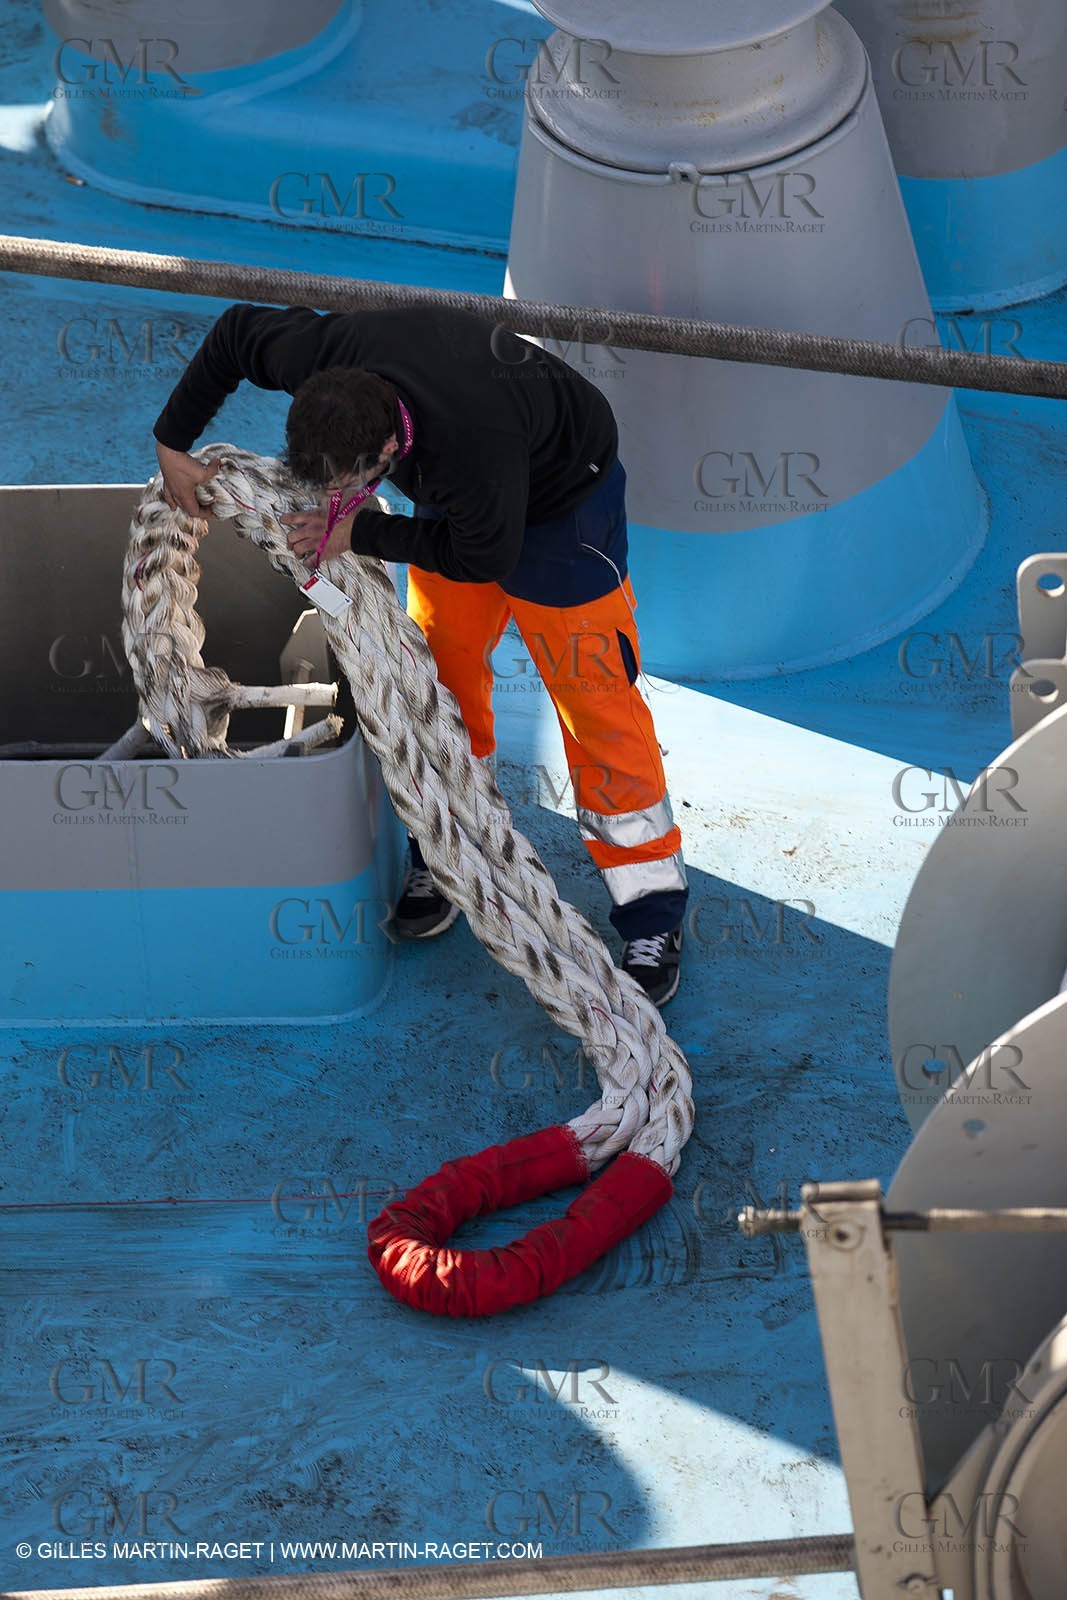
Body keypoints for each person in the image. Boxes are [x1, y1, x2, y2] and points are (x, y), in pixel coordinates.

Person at [153, 302, 688, 1004]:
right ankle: (445, 850)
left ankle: (650, 909)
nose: (332, 499)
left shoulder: (473, 443)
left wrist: (356, 536)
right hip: (459, 494)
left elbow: (482, 551)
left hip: (562, 504)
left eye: (345, 487)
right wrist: (171, 442)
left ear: (383, 455)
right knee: (438, 680)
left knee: (594, 705)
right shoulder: (317, 353)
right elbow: (231, 335)